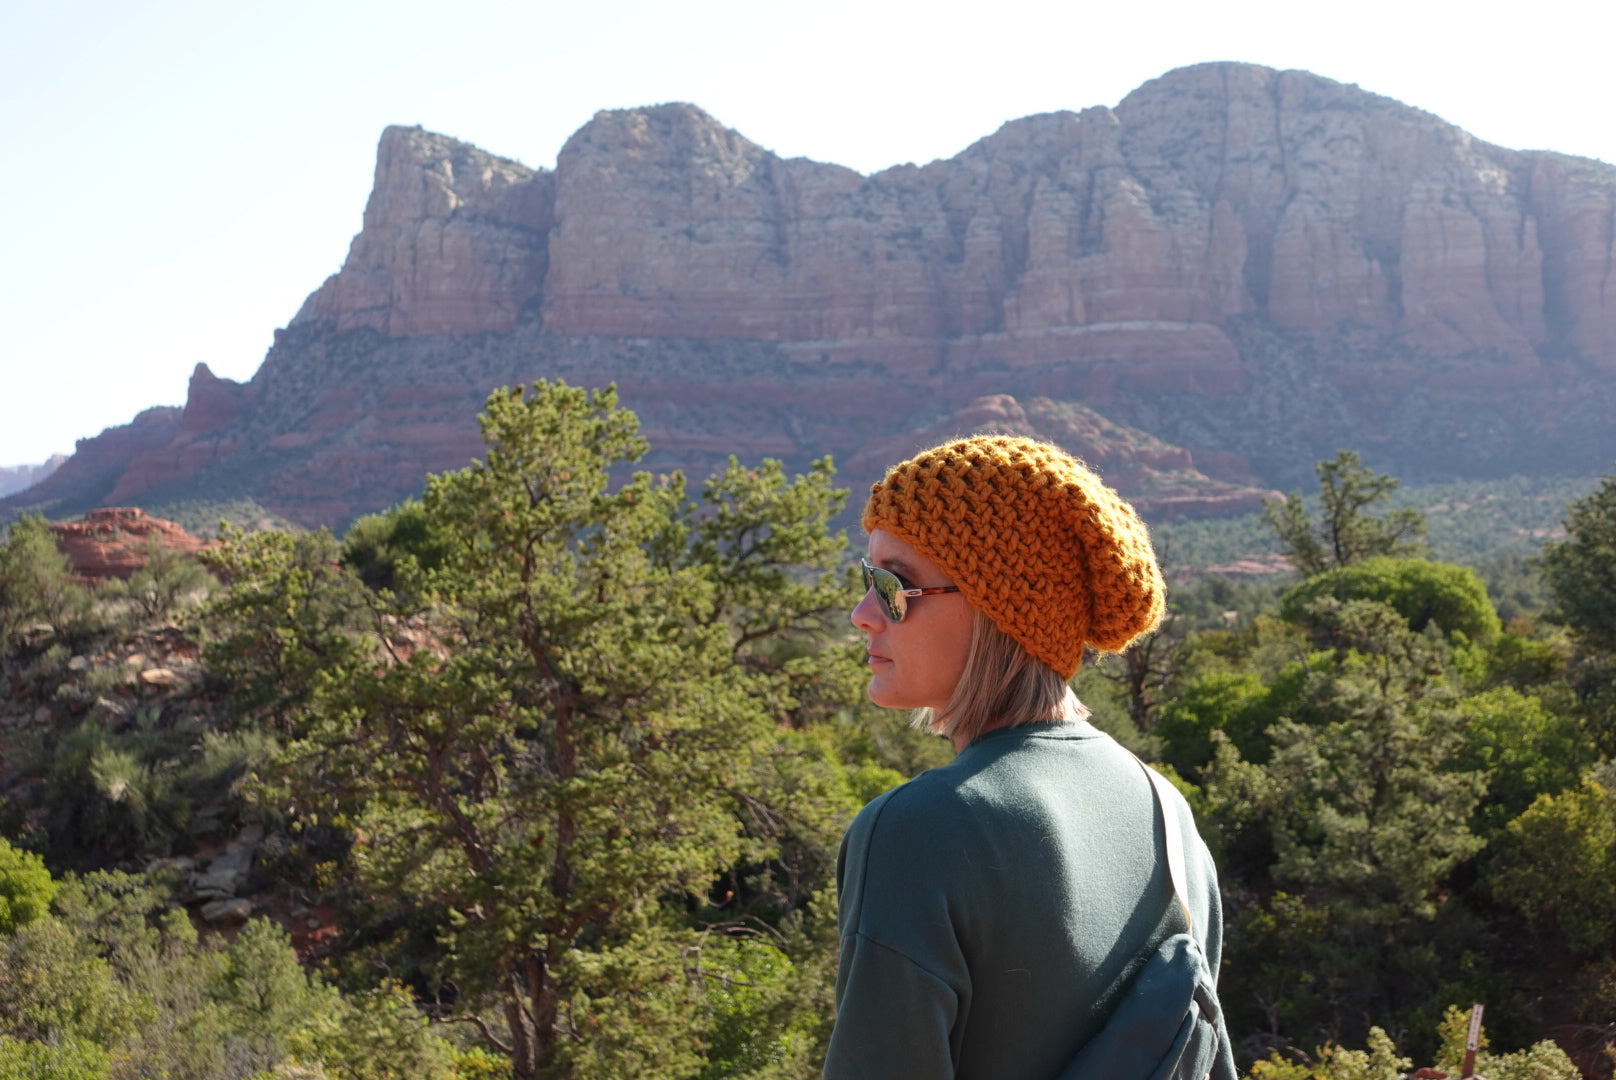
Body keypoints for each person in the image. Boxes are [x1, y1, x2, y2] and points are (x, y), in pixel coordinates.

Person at [823, 435, 1237, 1080]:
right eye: (865, 579)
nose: (862, 615)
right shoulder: (1168, 815)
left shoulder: (918, 830)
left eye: (893, 585)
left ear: (999, 607)